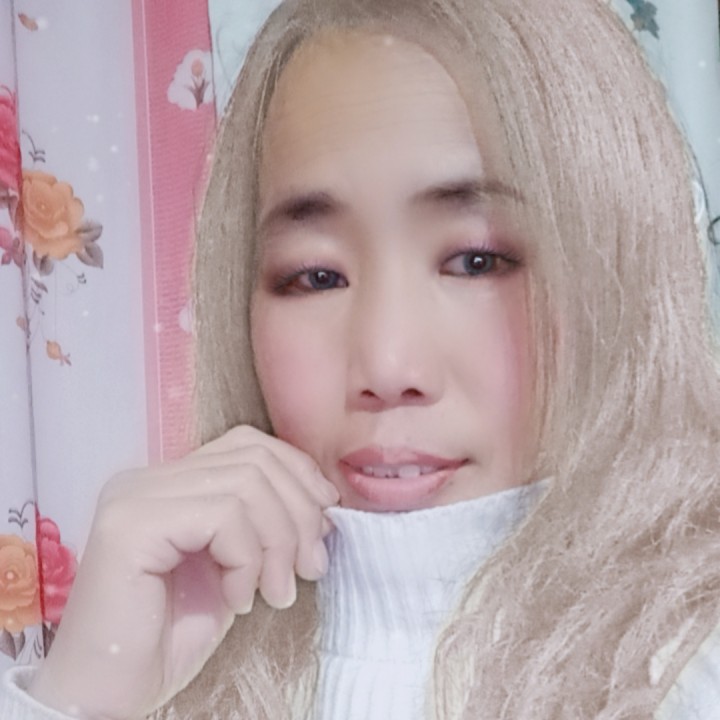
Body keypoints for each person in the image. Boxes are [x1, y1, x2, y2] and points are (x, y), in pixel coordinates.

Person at [3, 0, 720, 717]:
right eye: (317, 277)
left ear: (616, 265)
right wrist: (81, 696)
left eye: (476, 261)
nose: (387, 367)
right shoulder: (176, 652)